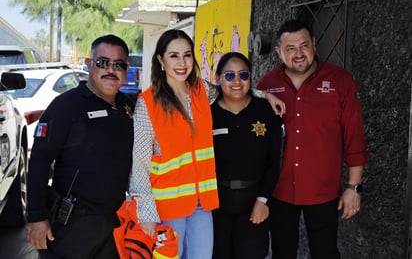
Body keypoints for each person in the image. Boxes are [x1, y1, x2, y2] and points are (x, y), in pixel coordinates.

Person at [129, 29, 285, 259]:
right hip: (167, 206)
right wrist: (147, 213)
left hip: (202, 204)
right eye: (174, 56)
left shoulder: (201, 91)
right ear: (161, 60)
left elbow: (232, 89)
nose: (182, 63)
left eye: (187, 55)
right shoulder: (147, 104)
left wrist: (263, 95)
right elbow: (140, 163)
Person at [256, 19, 369, 259]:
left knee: (325, 253)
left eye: (304, 45)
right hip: (279, 189)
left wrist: (354, 187)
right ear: (278, 52)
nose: (299, 54)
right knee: (282, 253)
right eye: (290, 48)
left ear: (314, 45)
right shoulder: (267, 85)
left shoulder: (340, 82)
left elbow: (355, 138)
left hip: (324, 191)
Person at [26, 34, 135, 258]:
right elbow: (39, 160)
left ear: (126, 69)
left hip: (114, 227)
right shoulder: (66, 106)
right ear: (89, 64)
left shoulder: (131, 108)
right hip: (70, 227)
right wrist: (36, 217)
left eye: (118, 64)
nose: (110, 70)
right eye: (103, 62)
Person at [211, 52, 283, 259]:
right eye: (229, 75)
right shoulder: (208, 113)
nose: (237, 81)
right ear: (217, 78)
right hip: (216, 204)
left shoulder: (265, 111)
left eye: (243, 75)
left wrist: (263, 200)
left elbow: (273, 161)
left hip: (254, 203)